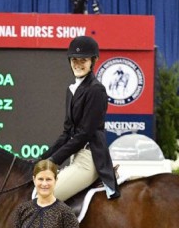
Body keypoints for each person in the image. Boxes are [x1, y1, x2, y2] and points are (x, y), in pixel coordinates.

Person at [41, 35, 120, 201]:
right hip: (74, 157)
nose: (78, 64)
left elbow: (84, 134)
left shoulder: (96, 90)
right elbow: (66, 133)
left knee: (47, 194)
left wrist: (54, 160)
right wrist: (41, 159)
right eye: (74, 59)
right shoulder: (72, 90)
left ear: (93, 61)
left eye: (83, 60)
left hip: (89, 159)